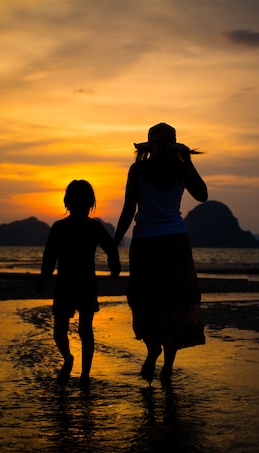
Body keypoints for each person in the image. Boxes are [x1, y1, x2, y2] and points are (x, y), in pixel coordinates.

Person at [114, 123, 208, 386]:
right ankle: (166, 364)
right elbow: (202, 194)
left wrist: (114, 243)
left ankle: (155, 352)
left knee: (150, 302)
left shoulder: (140, 169)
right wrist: (186, 160)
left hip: (147, 243)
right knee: (172, 303)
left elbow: (128, 210)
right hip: (174, 242)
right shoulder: (177, 168)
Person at [37, 180, 121, 388]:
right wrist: (44, 278)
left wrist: (114, 268)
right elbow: (49, 257)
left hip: (79, 282)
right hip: (72, 282)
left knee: (80, 330)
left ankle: (82, 372)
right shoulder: (61, 227)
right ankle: (71, 361)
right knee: (67, 330)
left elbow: (110, 248)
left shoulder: (93, 227)